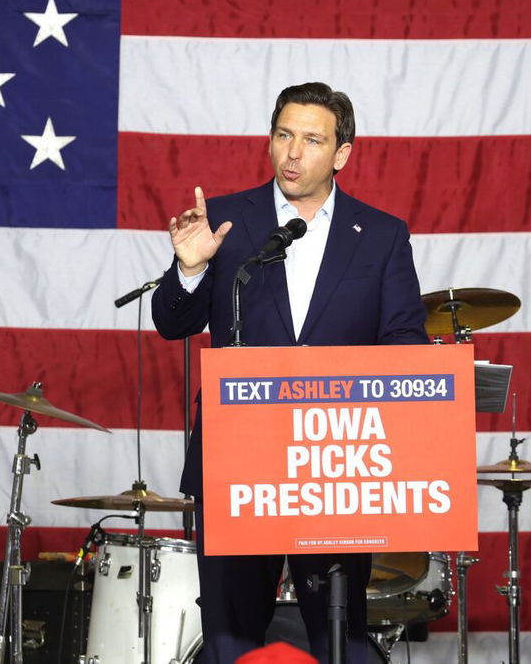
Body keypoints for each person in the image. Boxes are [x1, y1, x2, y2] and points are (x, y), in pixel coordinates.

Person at [152, 82, 428, 663]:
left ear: (342, 153)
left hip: (333, 464)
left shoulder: (381, 235)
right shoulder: (225, 220)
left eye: (311, 139)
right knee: (230, 640)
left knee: (339, 638)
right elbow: (172, 323)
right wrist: (188, 267)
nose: (293, 153)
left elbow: (405, 344)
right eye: (283, 136)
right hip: (237, 464)